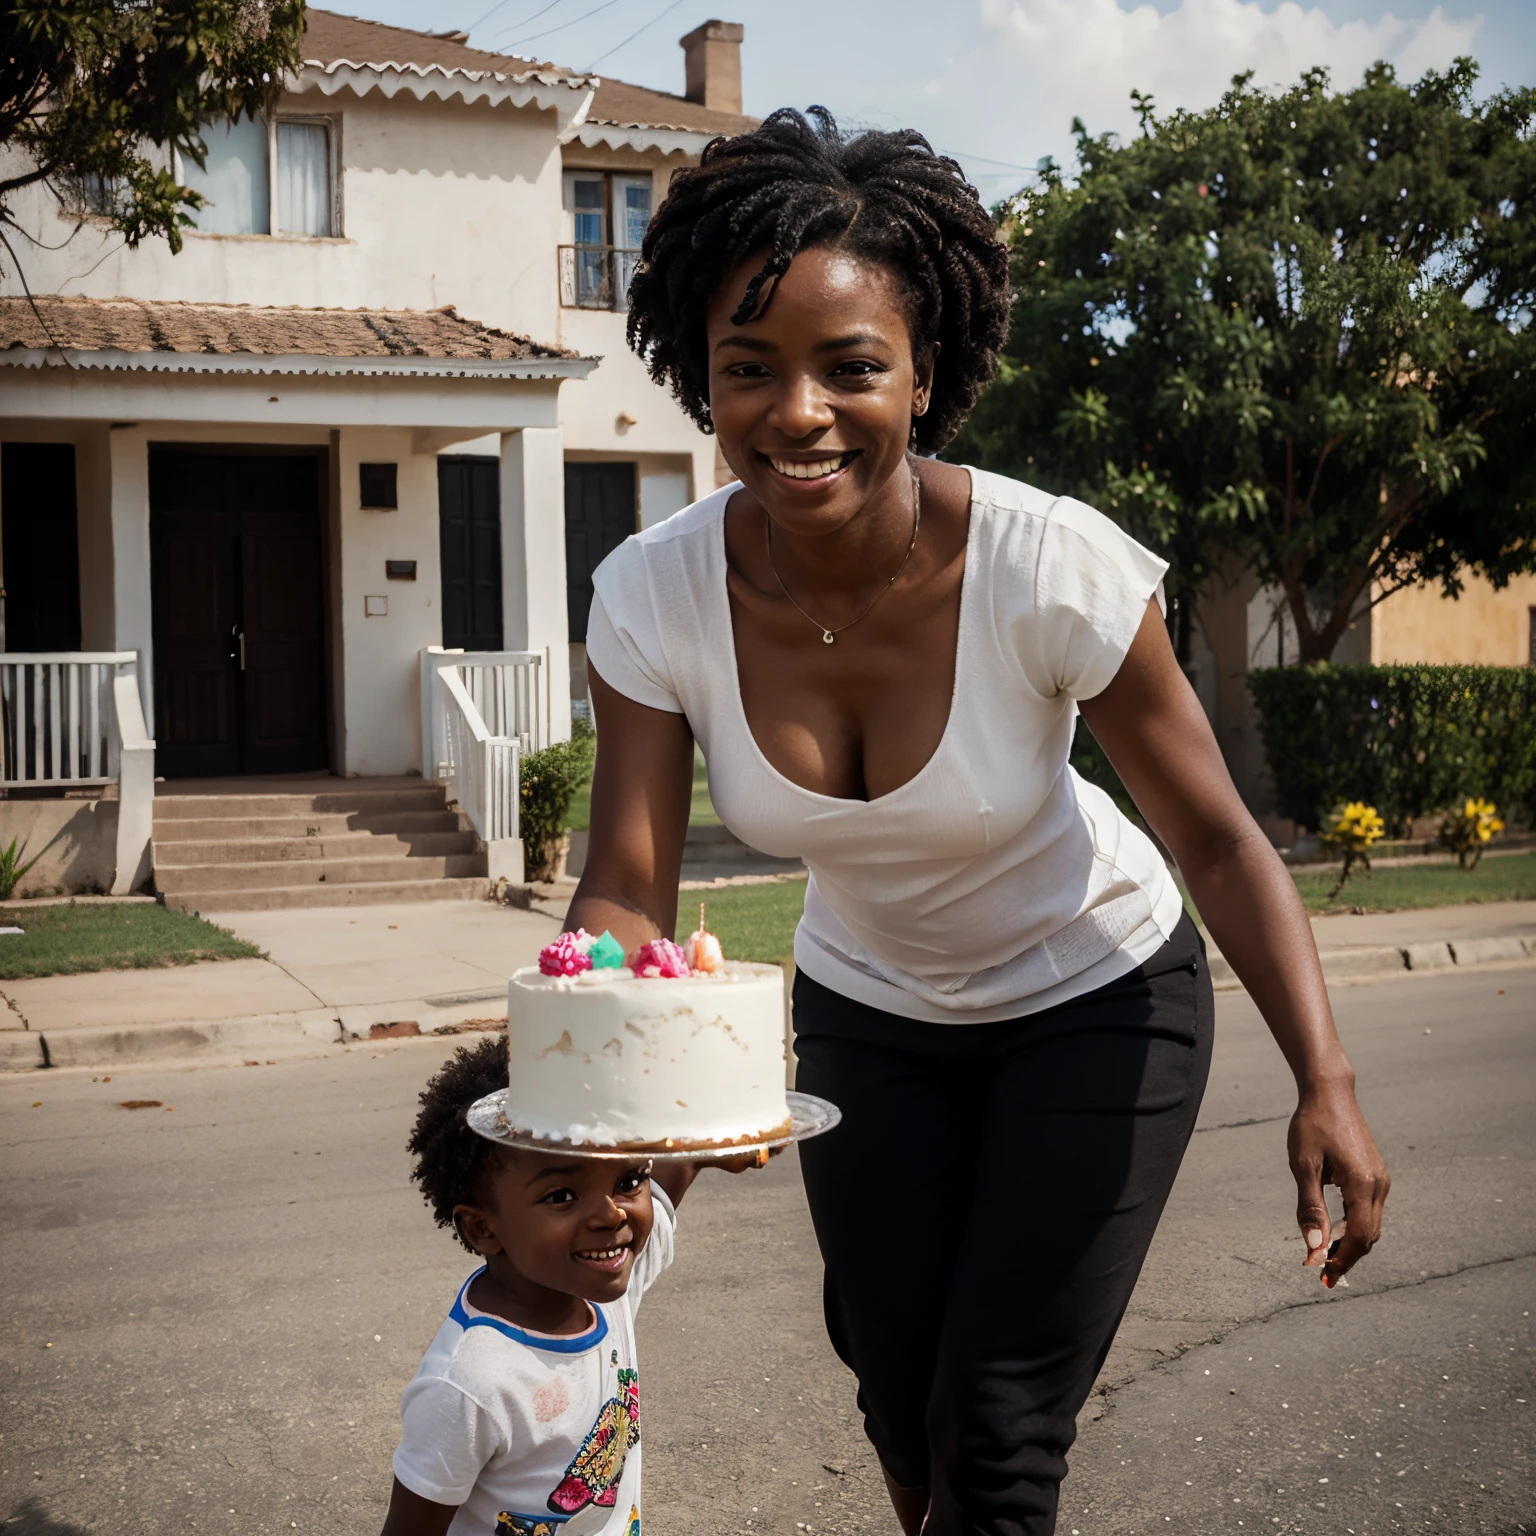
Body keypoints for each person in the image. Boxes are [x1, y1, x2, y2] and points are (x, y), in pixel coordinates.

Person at [565, 108, 1391, 1536]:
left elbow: (1215, 840)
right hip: (871, 1005)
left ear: (925, 373)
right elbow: (627, 884)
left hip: (1098, 995)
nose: (798, 411)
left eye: (851, 367)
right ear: (703, 384)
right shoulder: (652, 592)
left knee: (1000, 1425)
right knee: (897, 1396)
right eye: (748, 370)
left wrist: (1327, 1076)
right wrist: (591, 1098)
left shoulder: (1049, 566)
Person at [380, 1036, 725, 1536]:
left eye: (628, 1178)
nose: (611, 1214)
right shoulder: (470, 1386)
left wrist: (719, 1140)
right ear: (483, 1229)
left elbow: (673, 1178)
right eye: (562, 1195)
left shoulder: (601, 1284)